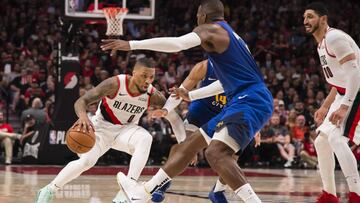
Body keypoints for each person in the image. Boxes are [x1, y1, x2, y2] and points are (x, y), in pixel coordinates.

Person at [101, 1, 273, 202]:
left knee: (216, 153)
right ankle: (144, 192)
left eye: (197, 16)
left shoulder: (210, 30)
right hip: (244, 98)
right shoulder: (234, 40)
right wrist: (190, 95)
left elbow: (177, 44)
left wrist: (131, 44)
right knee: (190, 145)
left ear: (202, 15)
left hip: (250, 99)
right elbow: (223, 84)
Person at [35, 57, 186, 203]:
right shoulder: (116, 83)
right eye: (144, 76)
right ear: (134, 73)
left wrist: (184, 144)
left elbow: (174, 118)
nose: (148, 80)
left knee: (145, 138)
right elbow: (82, 101)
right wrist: (82, 117)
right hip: (101, 128)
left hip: (126, 131)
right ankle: (49, 189)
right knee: (87, 161)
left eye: (151, 77)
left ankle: (127, 190)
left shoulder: (152, 95)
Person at [151, 59, 260, 203]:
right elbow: (182, 91)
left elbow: (251, 100)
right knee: (185, 146)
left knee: (231, 155)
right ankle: (162, 183)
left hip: (227, 113)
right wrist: (166, 109)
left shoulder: (243, 70)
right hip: (201, 110)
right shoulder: (204, 67)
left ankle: (218, 191)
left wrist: (256, 128)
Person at [304, 2, 360, 203]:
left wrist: (345, 106)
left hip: (357, 92)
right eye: (304, 17)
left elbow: (355, 74)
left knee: (337, 139)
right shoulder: (321, 44)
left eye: (310, 16)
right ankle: (330, 195)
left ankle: (356, 195)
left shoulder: (335, 38)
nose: (306, 21)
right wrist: (326, 105)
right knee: (321, 142)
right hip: (344, 93)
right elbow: (339, 81)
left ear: (323, 19)